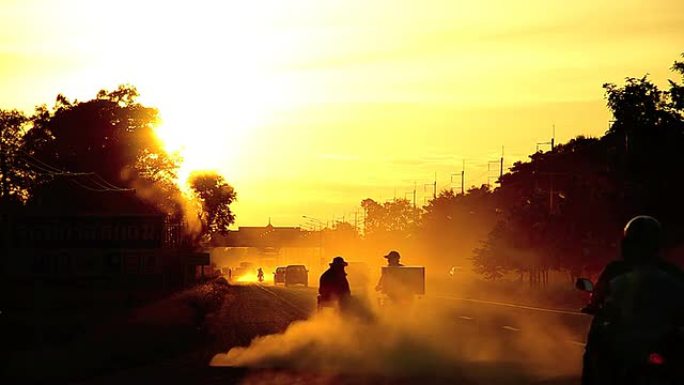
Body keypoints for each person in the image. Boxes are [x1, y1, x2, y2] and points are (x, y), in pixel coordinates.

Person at [582, 215, 684, 385]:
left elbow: (598, 295)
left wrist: (594, 304)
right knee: (597, 341)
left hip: (655, 336)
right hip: (631, 333)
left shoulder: (617, 269)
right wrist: (595, 304)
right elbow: (599, 294)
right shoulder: (670, 270)